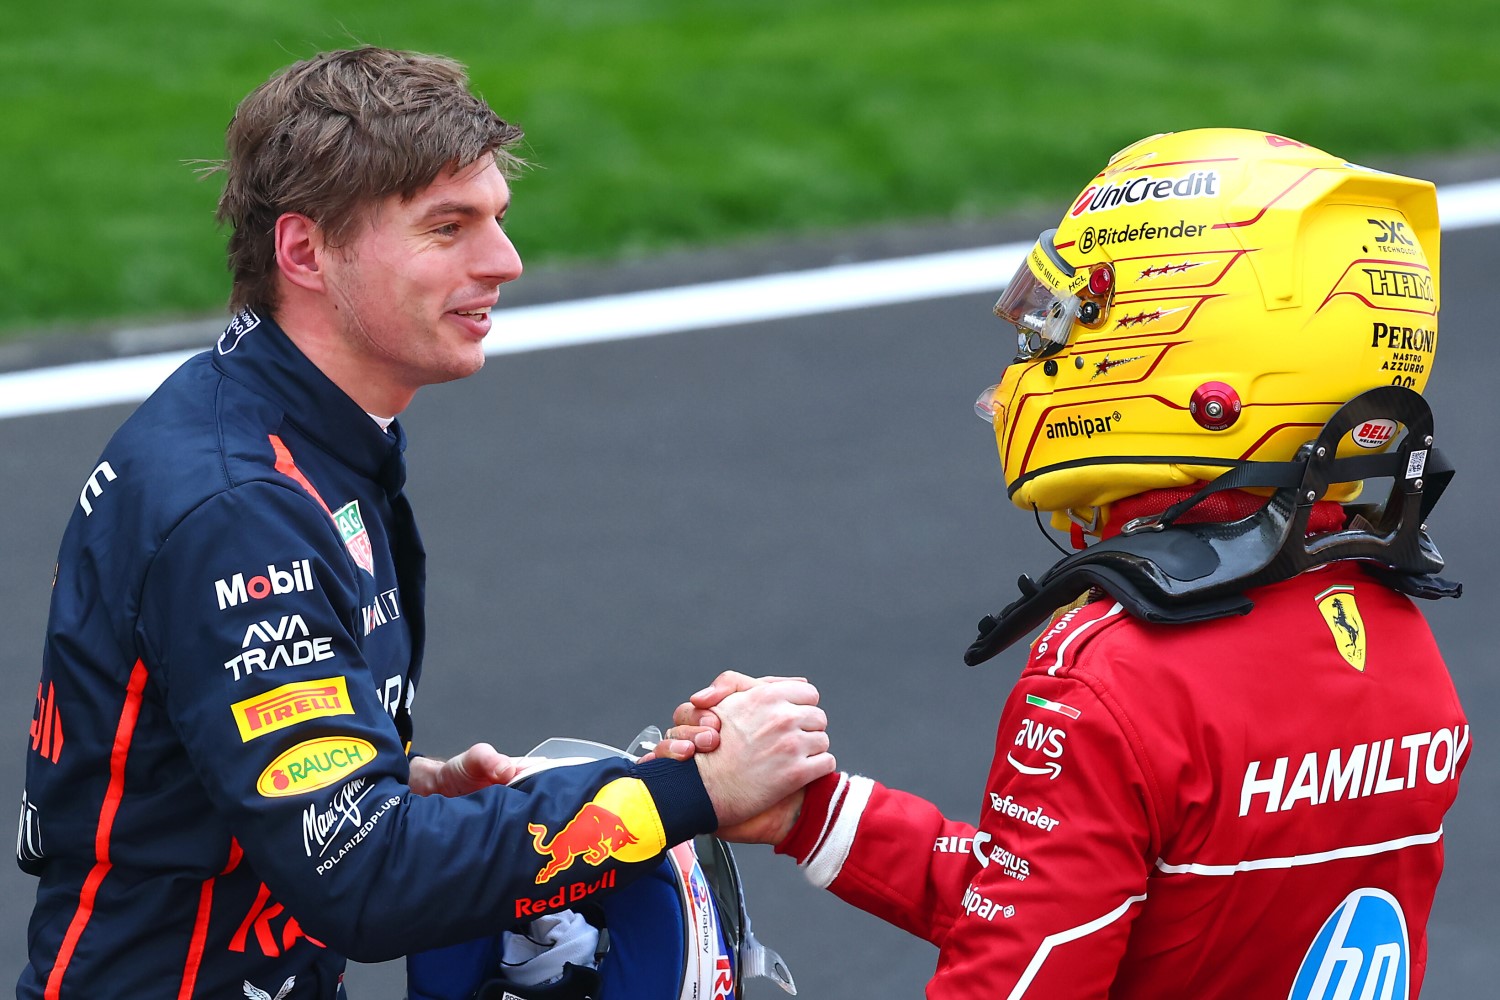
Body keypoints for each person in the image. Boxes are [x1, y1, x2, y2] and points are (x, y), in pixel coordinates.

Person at [17, 47, 833, 999]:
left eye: (496, 220)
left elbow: (233, 779)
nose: (505, 262)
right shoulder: (243, 509)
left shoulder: (297, 436)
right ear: (305, 252)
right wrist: (688, 793)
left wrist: (403, 785)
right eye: (447, 228)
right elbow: (360, 878)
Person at [667, 129, 1469, 998]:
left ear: (1184, 353)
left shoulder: (1111, 673)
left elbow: (1026, 965)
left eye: (1062, 322)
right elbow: (1082, 906)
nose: (1035, 357)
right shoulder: (1391, 627)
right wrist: (810, 814)